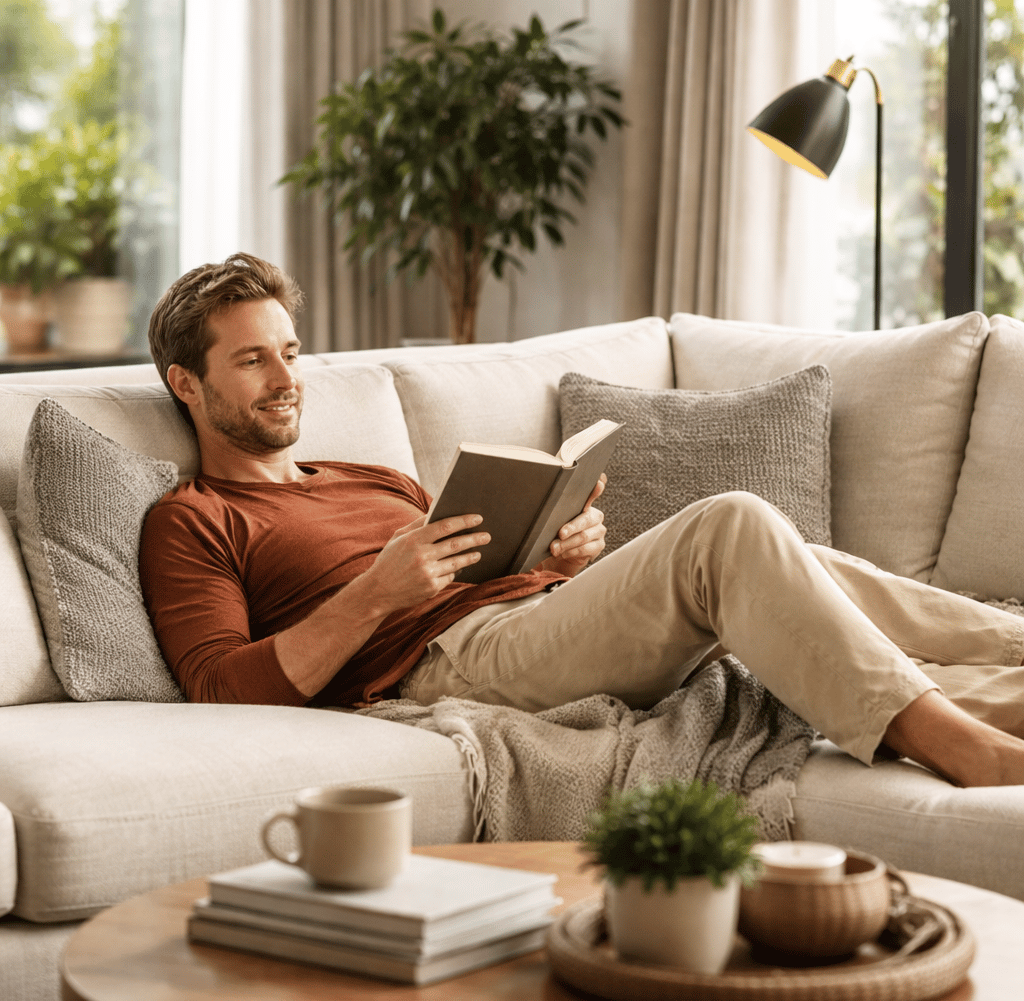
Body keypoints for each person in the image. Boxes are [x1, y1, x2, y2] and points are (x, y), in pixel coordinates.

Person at [139, 253, 1024, 789]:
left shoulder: (366, 477)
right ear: (188, 382)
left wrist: (560, 558)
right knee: (729, 529)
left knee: (811, 565)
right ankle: (970, 755)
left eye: (290, 352)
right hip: (446, 667)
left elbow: (487, 579)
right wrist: (376, 594)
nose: (286, 378)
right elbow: (220, 689)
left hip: (528, 624)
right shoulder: (196, 520)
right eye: (252, 361)